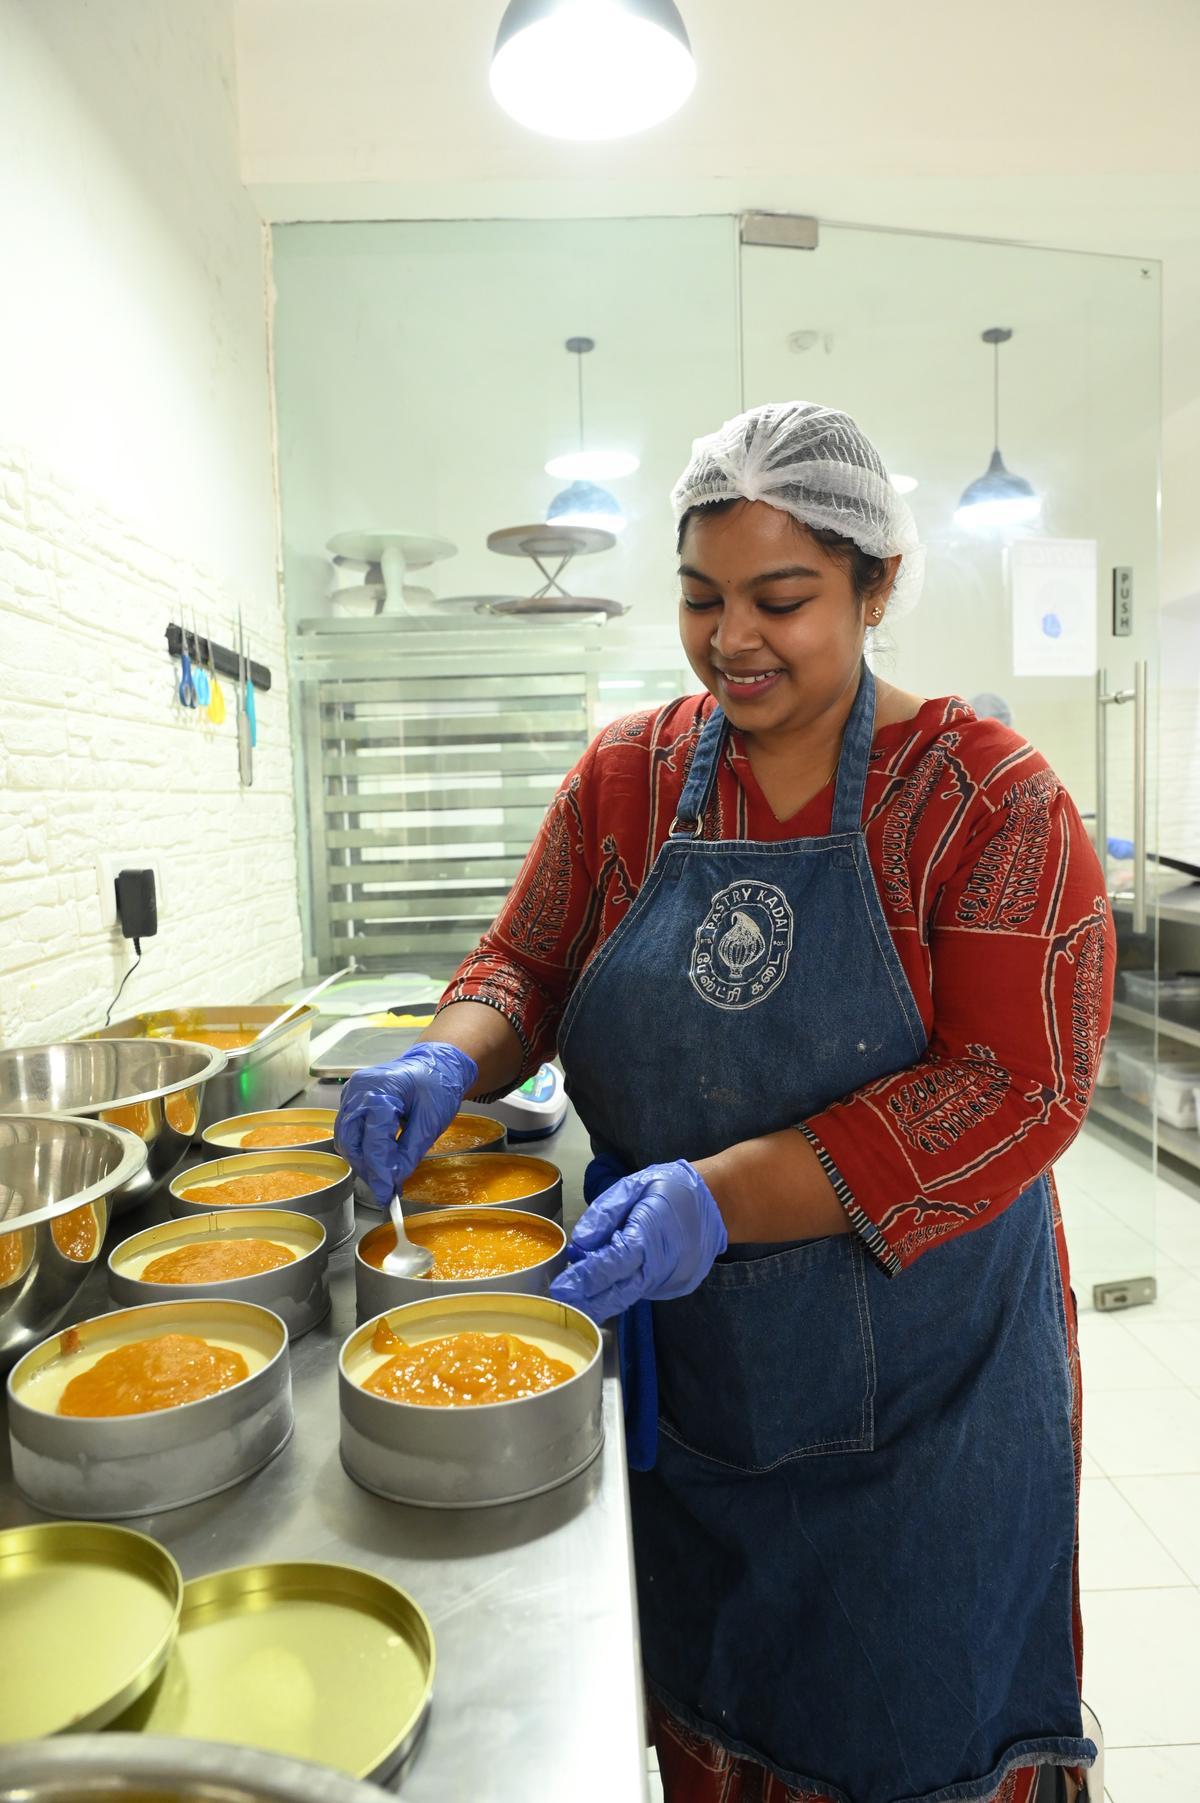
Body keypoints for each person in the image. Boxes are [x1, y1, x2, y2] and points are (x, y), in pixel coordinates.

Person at [336, 402, 1112, 1803]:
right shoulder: (629, 777)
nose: (731, 638)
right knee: (705, 1706)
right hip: (691, 1374)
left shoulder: (984, 803)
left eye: (783, 599)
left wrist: (719, 1194)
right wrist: (447, 1054)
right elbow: (528, 962)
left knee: (902, 1731)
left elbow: (1016, 1090)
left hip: (926, 1410)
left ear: (877, 588)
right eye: (701, 598)